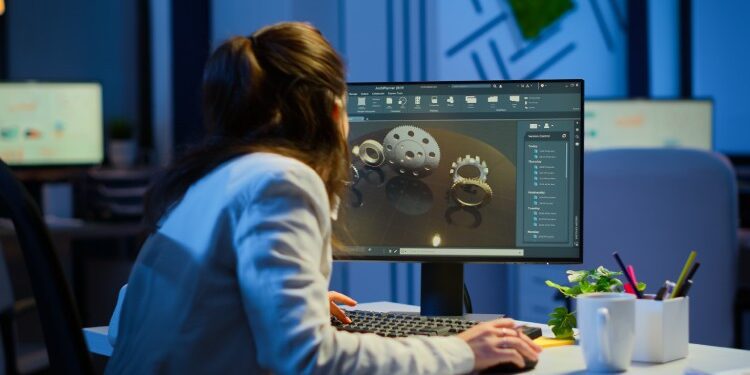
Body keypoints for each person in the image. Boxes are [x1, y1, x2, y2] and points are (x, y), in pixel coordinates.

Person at [106, 22, 541, 374]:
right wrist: (461, 352)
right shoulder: (282, 181)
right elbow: (306, 358)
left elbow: (125, 320)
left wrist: (274, 300)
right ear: (334, 112)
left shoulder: (209, 181)